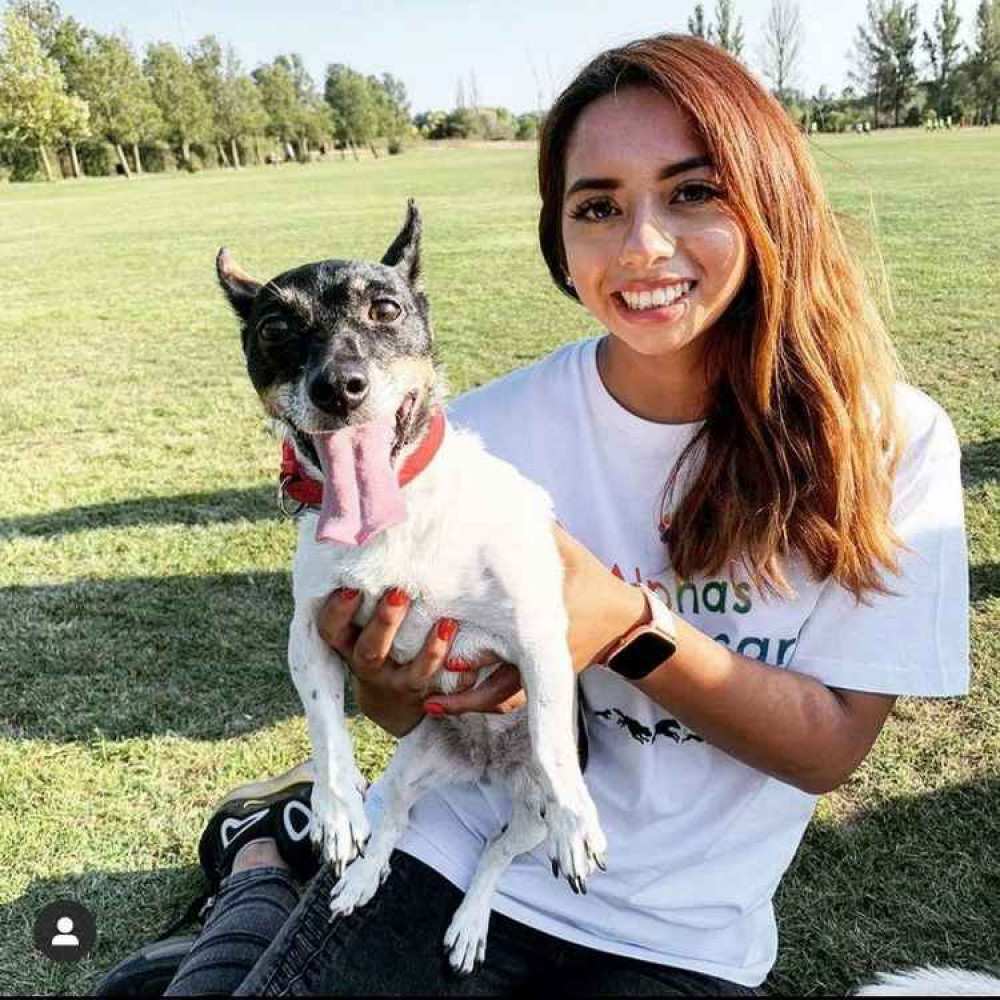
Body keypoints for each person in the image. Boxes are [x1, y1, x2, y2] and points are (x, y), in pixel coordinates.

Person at [95, 34, 968, 997]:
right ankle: (263, 870)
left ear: (772, 200)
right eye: (599, 206)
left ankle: (257, 874)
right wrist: (394, 682)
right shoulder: (465, 439)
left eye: (692, 191)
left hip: (675, 938)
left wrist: (632, 631)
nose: (643, 245)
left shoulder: (890, 440)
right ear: (559, 237)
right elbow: (401, 706)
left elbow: (830, 747)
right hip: (443, 855)